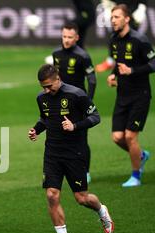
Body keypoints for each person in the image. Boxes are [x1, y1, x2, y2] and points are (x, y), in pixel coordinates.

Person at [28, 64, 113, 233]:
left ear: (58, 79)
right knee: (51, 194)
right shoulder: (41, 98)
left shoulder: (77, 94)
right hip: (52, 152)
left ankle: (101, 210)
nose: (46, 90)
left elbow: (96, 117)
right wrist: (37, 130)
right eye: (43, 87)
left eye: (50, 86)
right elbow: (45, 118)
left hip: (74, 152)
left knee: (82, 198)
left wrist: (75, 126)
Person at [106, 4, 155, 187]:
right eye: (112, 17)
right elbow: (118, 63)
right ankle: (141, 155)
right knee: (117, 137)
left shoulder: (139, 40)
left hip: (140, 95)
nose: (113, 20)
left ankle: (136, 176)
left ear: (127, 19)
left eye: (117, 17)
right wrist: (114, 74)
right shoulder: (113, 40)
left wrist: (132, 70)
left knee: (130, 136)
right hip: (122, 96)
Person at [53, 22, 96, 183]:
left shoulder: (83, 56)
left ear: (77, 37)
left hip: (79, 103)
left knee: (81, 139)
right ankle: (64, 169)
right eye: (64, 36)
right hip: (61, 103)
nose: (66, 40)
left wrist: (88, 102)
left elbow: (92, 80)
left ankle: (86, 171)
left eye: (70, 37)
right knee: (61, 137)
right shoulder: (56, 54)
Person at [96, 0, 148, 72]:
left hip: (133, 9)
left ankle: (131, 62)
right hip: (118, 7)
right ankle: (111, 61)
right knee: (115, 35)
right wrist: (107, 5)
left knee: (130, 36)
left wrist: (142, 7)